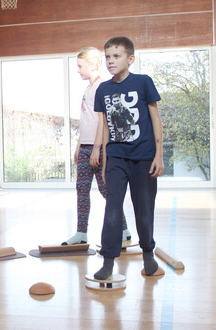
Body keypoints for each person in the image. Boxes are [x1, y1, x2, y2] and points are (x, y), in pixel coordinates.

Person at [93, 36, 164, 280]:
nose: (110, 61)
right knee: (112, 209)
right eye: (107, 57)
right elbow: (104, 126)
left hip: (144, 157)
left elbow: (155, 119)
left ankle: (148, 253)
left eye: (116, 56)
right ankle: (109, 261)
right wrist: (103, 159)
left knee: (144, 208)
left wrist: (159, 155)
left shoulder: (144, 83)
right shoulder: (103, 89)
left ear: (130, 59)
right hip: (116, 157)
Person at [62, 47, 131, 246]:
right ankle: (81, 233)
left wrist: (96, 148)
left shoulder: (102, 86)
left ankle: (124, 229)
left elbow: (103, 121)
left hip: (98, 148)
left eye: (80, 66)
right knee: (81, 190)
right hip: (84, 147)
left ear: (92, 65)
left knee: (106, 191)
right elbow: (86, 120)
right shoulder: (88, 88)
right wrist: (78, 146)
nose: (78, 70)